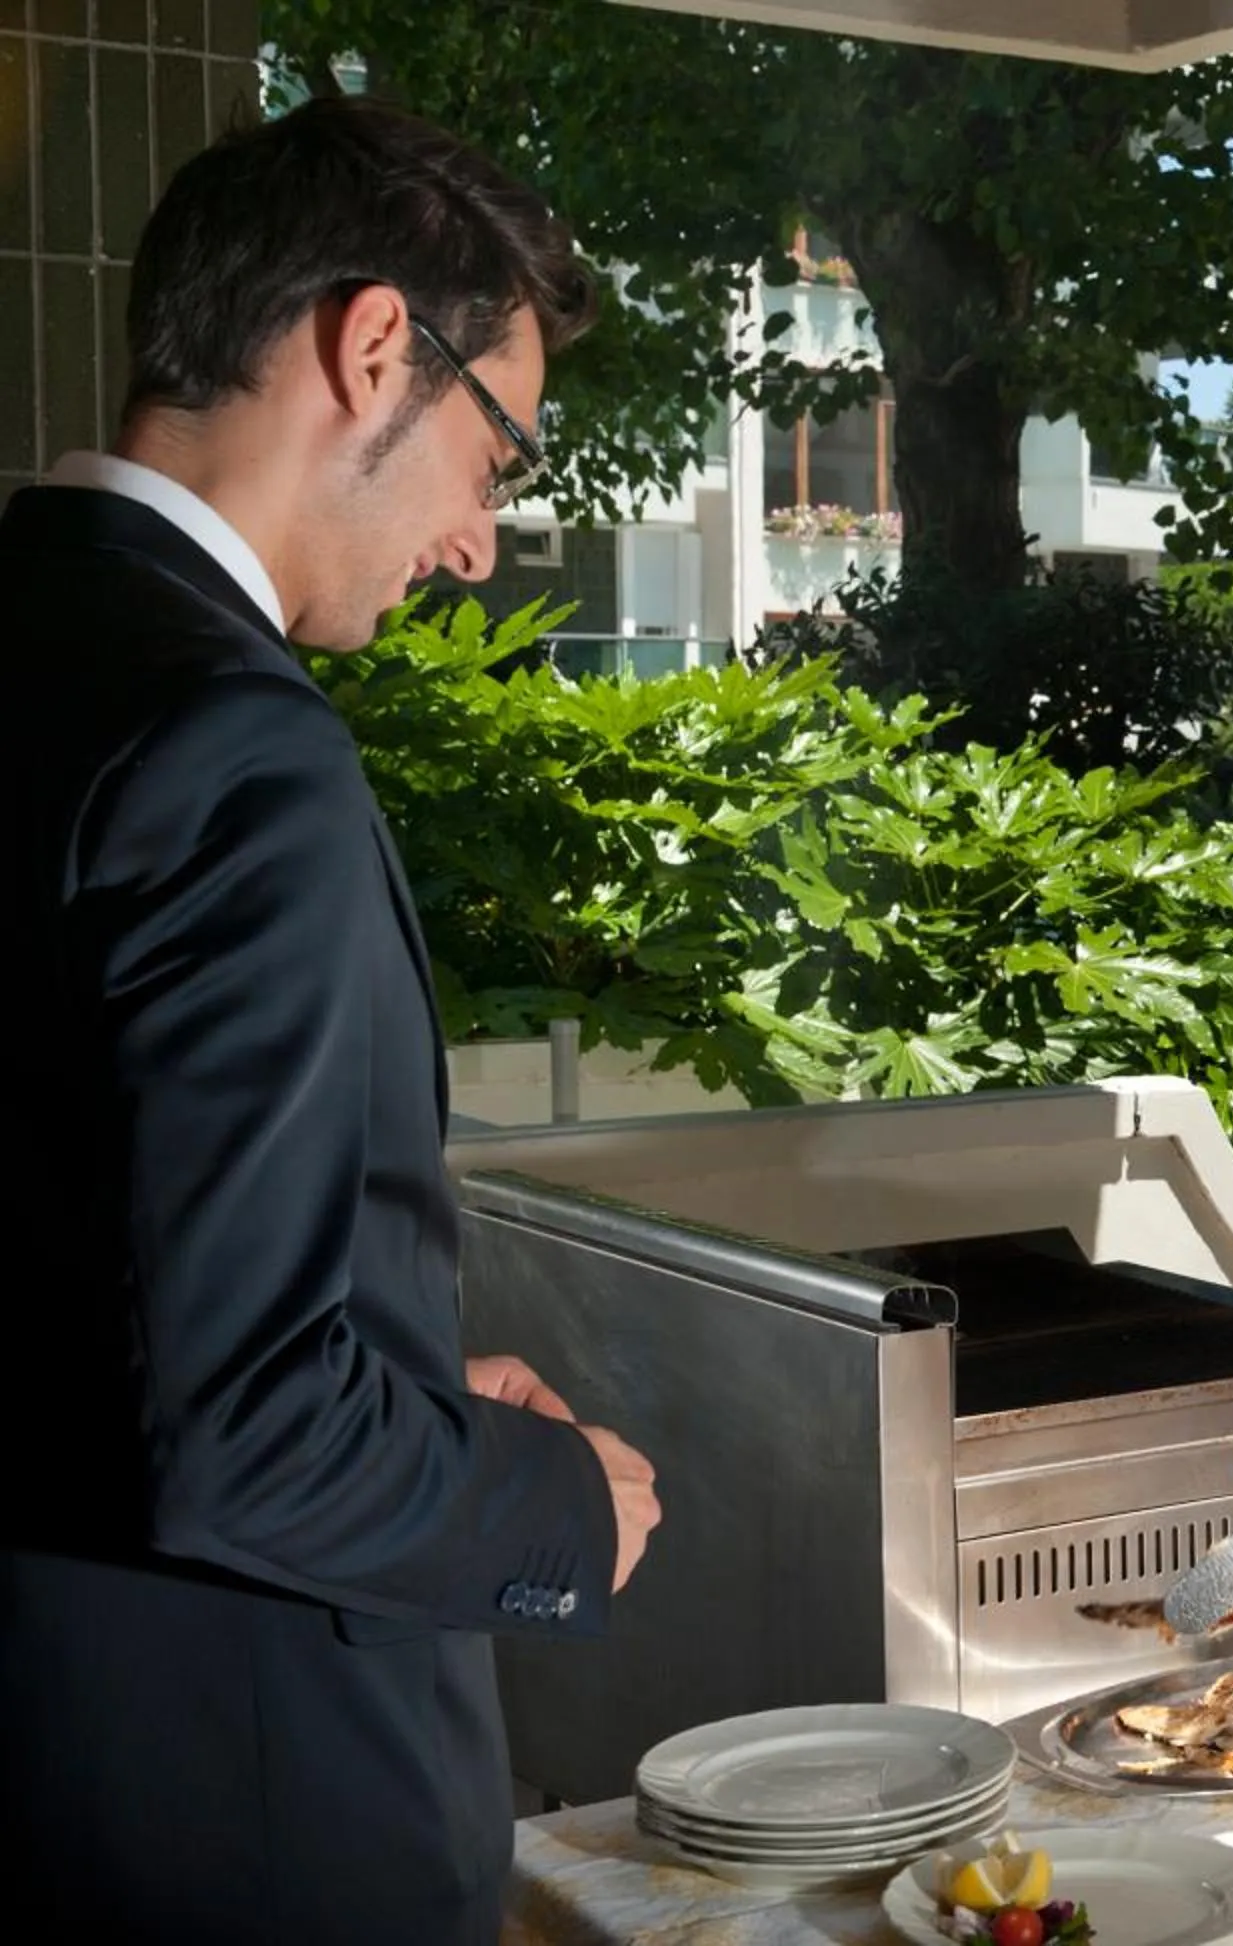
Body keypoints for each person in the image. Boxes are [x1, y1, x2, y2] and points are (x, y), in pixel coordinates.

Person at [0, 96, 663, 1944]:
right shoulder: (235, 750)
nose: (477, 540)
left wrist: (396, 1395)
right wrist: (549, 1505)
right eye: (497, 454)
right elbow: (256, 1444)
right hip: (239, 1836)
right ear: (377, 349)